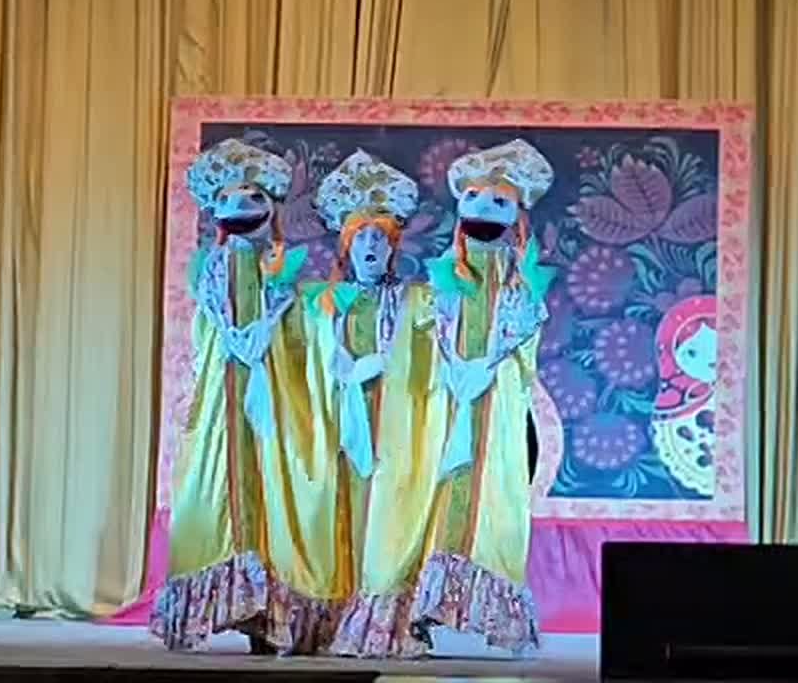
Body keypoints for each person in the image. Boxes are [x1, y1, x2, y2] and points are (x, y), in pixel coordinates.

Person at [152, 138, 335, 653]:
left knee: (274, 484)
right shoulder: (214, 268)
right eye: (230, 199)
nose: (242, 206)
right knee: (223, 487)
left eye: (254, 197)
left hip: (273, 395)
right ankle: (232, 604)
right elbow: (213, 336)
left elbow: (296, 338)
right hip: (225, 397)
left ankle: (271, 612)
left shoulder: (281, 270)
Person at [409, 138, 556, 654]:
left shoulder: (521, 281)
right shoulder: (446, 277)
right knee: (441, 497)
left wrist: (486, 367)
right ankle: (428, 605)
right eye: (473, 197)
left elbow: (522, 342)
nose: (483, 208)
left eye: (498, 201)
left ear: (517, 214)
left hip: (499, 406)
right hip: (449, 403)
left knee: (494, 498)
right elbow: (428, 338)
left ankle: (496, 613)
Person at [301, 151, 441, 658]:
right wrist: (341, 367)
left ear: (394, 247)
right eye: (360, 238)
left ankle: (385, 617)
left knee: (388, 515)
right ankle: (333, 613)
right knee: (336, 511)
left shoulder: (414, 300)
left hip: (394, 431)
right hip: (338, 427)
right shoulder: (321, 303)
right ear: (345, 244)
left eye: (380, 238)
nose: (370, 247)